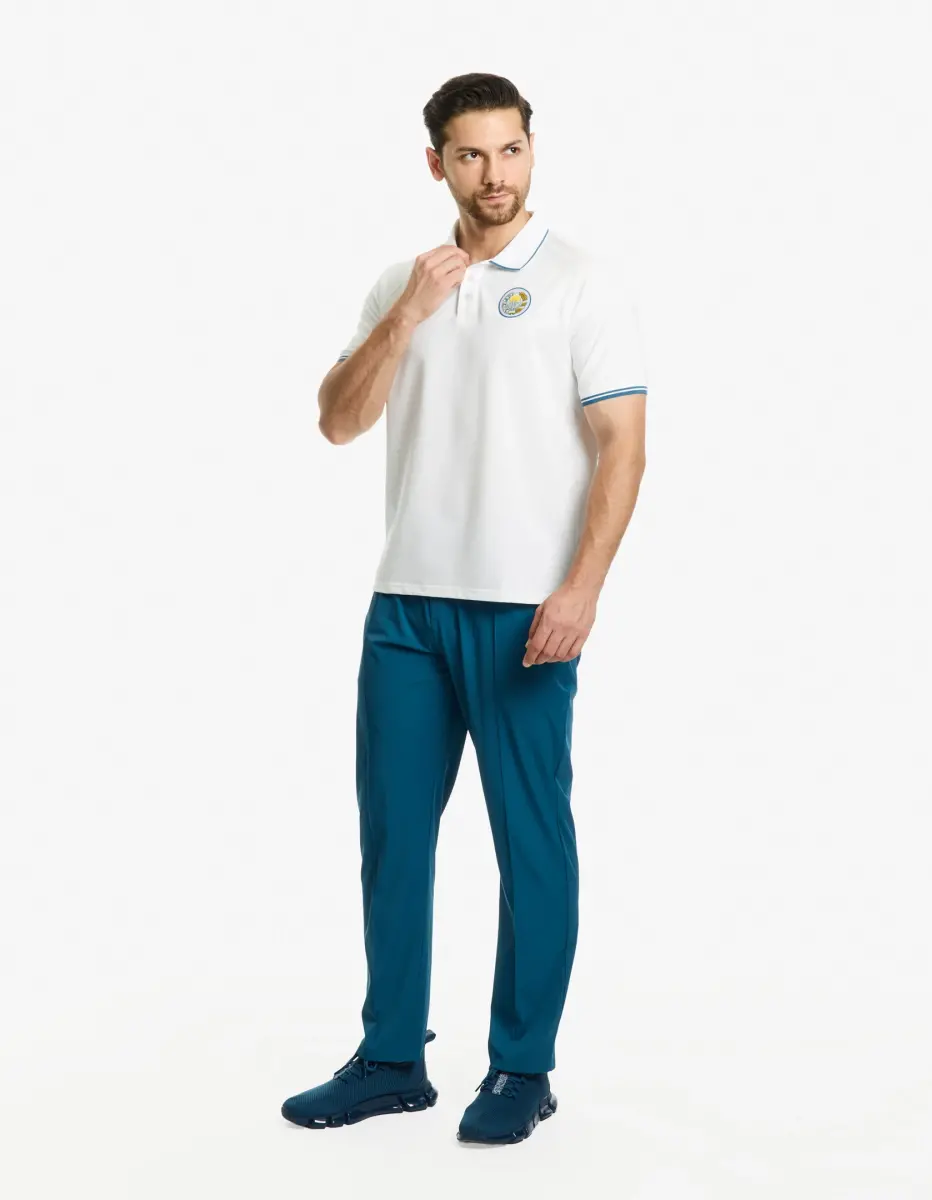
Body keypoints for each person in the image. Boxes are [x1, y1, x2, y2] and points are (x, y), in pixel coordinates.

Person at [281, 72, 649, 1145]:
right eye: (473, 154)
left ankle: (522, 1068)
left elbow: (623, 448)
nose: (496, 174)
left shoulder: (582, 282)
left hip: (523, 611)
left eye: (512, 150)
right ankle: (392, 1057)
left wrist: (581, 588)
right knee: (394, 840)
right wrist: (407, 314)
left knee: (530, 842)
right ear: (436, 162)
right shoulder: (402, 282)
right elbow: (338, 421)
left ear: (533, 150)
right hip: (406, 605)